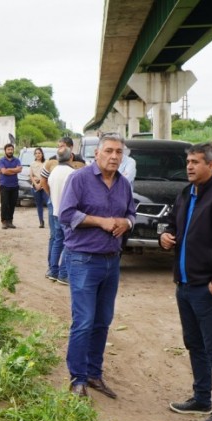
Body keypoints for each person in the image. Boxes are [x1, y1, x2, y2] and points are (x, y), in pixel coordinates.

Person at [159, 142, 212, 421]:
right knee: (194, 343)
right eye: (188, 162)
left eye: (196, 162)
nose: (190, 167)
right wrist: (165, 237)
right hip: (184, 284)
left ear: (211, 165)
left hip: (207, 288)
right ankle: (201, 398)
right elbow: (171, 225)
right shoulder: (186, 194)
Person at [58, 133, 137, 399]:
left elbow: (131, 214)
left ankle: (94, 374)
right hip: (83, 259)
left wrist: (126, 223)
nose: (114, 156)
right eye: (109, 151)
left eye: (119, 152)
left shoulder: (123, 184)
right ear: (97, 154)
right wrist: (100, 221)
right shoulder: (79, 179)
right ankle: (77, 378)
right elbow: (66, 215)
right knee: (84, 321)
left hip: (111, 261)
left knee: (103, 321)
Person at [47, 146, 77, 285]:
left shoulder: (53, 172)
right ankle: (63, 274)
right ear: (71, 157)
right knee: (69, 245)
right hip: (68, 214)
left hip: (55, 211)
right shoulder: (72, 173)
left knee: (57, 242)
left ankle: (53, 271)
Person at [0, 143, 21, 229]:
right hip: (4, 185)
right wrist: (14, 170)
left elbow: (20, 169)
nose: (10, 151)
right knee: (4, 204)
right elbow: (3, 172)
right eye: (8, 149)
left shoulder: (17, 160)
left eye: (11, 149)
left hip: (14, 185)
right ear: (5, 151)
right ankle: (4, 221)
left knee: (12, 204)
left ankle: (10, 221)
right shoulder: (1, 160)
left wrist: (9, 170)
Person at [29, 148, 47, 228]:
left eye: (39, 153)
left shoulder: (46, 163)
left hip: (45, 186)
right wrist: (36, 184)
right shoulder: (32, 164)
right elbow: (31, 176)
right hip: (35, 186)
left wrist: (41, 183)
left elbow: (47, 174)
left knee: (49, 203)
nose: (38, 155)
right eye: (36, 153)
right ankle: (41, 221)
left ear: (42, 154)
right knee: (39, 205)